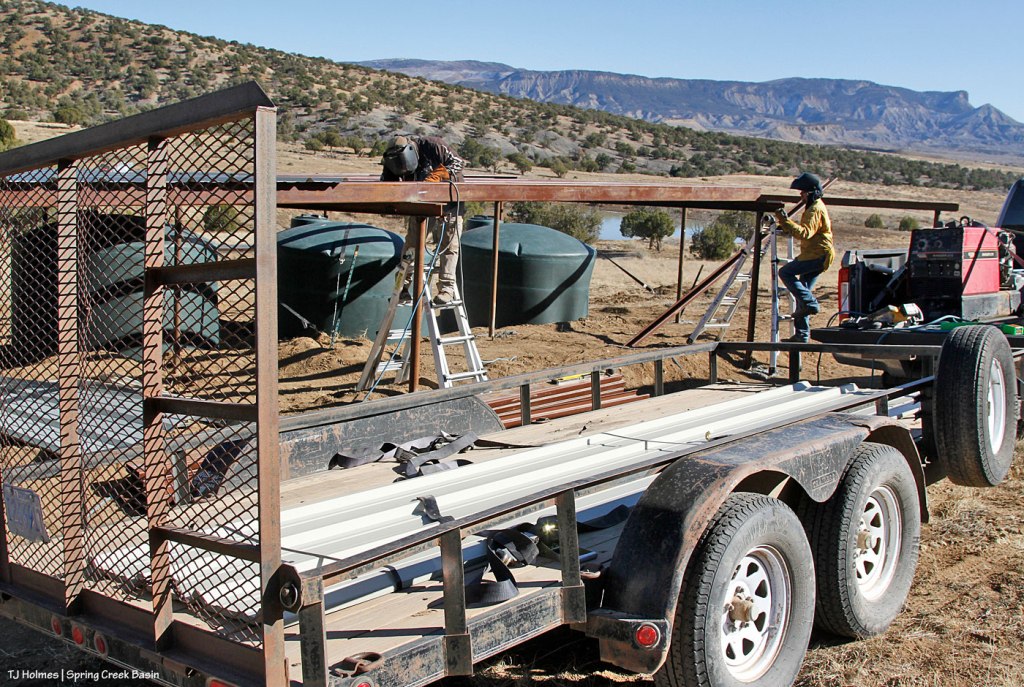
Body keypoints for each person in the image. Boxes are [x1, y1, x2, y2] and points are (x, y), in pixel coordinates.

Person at [381, 135, 466, 306]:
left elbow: (458, 162)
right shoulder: (391, 160)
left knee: (449, 245)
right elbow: (387, 184)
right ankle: (402, 288)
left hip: (450, 201)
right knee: (411, 245)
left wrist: (440, 174)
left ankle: (446, 289)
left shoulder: (433, 146)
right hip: (421, 204)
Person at [773, 172, 834, 343]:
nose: (801, 195)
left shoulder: (814, 209)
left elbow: (805, 233)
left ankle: (811, 304)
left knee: (785, 273)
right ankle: (802, 335)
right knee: (802, 292)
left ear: (811, 193)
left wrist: (785, 221)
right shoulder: (814, 206)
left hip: (817, 254)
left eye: (804, 192)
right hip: (816, 254)